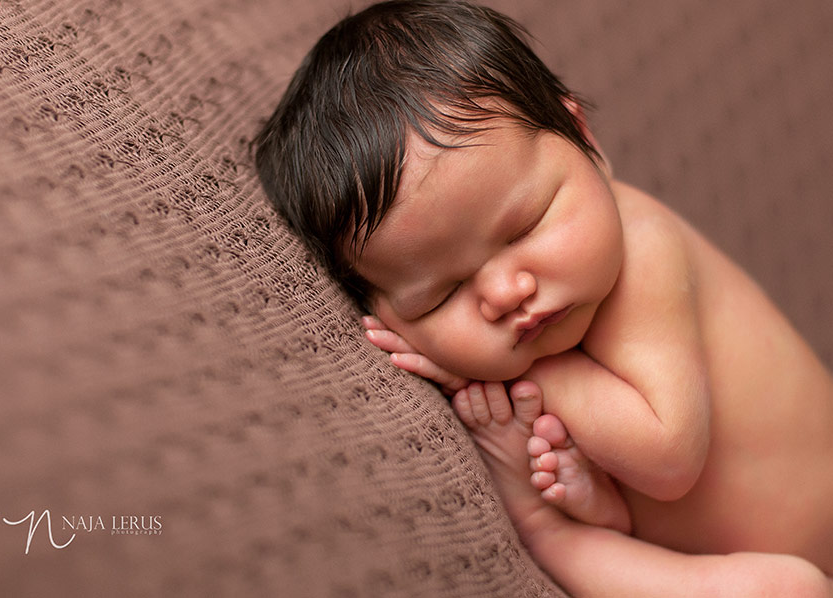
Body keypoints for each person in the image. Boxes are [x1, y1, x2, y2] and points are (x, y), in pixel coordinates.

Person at [254, 1, 833, 595]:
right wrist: (590, 503)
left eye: (525, 226)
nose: (506, 293)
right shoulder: (518, 352)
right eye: (442, 295)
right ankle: (559, 536)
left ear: (583, 138)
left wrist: (527, 377)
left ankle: (558, 543)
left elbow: (666, 458)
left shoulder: (643, 247)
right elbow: (632, 503)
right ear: (384, 315)